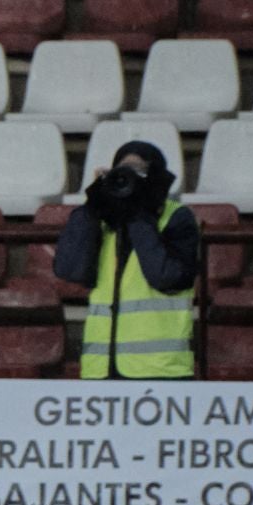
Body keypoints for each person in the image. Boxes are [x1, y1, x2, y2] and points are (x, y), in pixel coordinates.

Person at [54, 138, 200, 379]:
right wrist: (92, 206)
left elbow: (166, 276)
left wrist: (138, 214)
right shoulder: (103, 218)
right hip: (100, 370)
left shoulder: (177, 217)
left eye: (138, 172)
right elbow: (69, 269)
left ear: (155, 177)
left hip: (159, 370)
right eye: (122, 172)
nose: (129, 180)